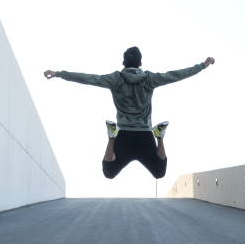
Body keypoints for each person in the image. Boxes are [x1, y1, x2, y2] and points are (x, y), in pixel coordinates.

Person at [44, 47, 215, 179]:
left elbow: (89, 78)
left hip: (123, 135)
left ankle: (111, 137)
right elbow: (176, 75)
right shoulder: (149, 78)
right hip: (144, 135)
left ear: (123, 62)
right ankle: (159, 136)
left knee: (109, 173)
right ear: (140, 63)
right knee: (159, 172)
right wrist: (203, 65)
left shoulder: (116, 78)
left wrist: (59, 73)